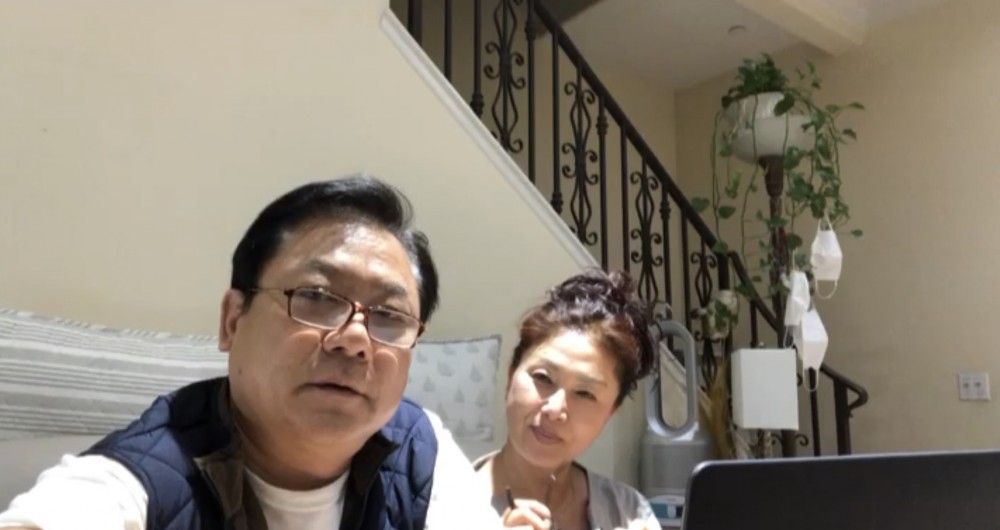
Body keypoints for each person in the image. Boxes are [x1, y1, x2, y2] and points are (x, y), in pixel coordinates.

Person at [0, 174, 502, 530]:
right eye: (317, 296)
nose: (355, 339)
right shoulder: (144, 478)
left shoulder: (419, 447)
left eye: (389, 316)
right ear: (232, 321)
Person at [473, 270, 663, 530]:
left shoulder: (628, 513)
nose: (554, 409)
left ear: (610, 411)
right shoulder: (440, 506)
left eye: (584, 393)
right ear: (510, 377)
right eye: (543, 378)